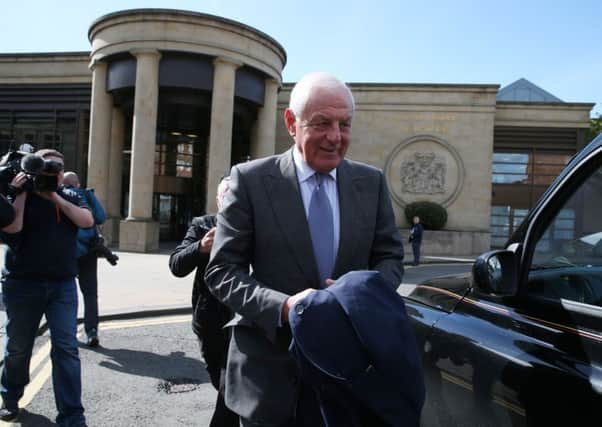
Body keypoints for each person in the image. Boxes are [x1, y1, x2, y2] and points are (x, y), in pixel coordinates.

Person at [205, 72, 404, 426]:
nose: (335, 136)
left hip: (348, 373)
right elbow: (222, 271)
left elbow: (389, 258)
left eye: (344, 124)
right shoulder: (249, 180)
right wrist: (283, 307)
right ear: (291, 123)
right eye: (322, 123)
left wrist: (357, 298)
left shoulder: (370, 183)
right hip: (269, 377)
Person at [0, 149, 92, 426]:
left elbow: (87, 221)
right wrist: (23, 193)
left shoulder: (70, 195)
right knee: (18, 348)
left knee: (66, 349)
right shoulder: (18, 194)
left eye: (59, 168)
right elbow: (13, 229)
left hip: (62, 285)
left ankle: (72, 416)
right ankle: (11, 396)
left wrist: (53, 195)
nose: (55, 172)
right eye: (48, 167)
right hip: (22, 284)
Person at [168, 177, 238, 427]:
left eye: (235, 195)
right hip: (209, 319)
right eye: (225, 195)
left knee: (232, 382)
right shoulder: (203, 225)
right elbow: (176, 265)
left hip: (244, 319)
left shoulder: (255, 225)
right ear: (218, 200)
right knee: (221, 381)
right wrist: (201, 246)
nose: (230, 200)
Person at [63, 171, 106, 347]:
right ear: (78, 184)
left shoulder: (59, 196)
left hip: (65, 252)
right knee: (90, 294)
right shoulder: (86, 195)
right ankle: (91, 331)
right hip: (88, 251)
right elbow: (101, 217)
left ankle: (67, 330)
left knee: (65, 292)